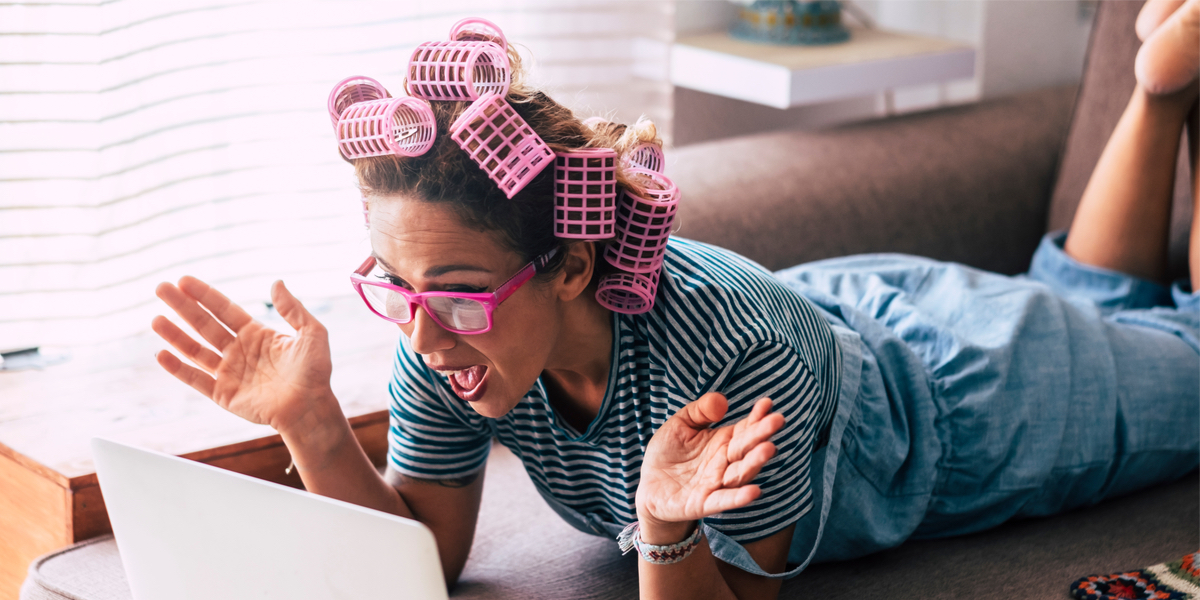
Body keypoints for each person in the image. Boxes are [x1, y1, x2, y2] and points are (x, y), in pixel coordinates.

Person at [150, 2, 1200, 599]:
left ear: (568, 263)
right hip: (842, 318)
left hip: (966, 401)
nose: (422, 334)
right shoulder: (443, 330)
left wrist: (662, 530)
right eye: (396, 290)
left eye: (458, 297)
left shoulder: (724, 362)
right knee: (1089, 302)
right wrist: (313, 423)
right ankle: (1160, 90)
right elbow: (424, 554)